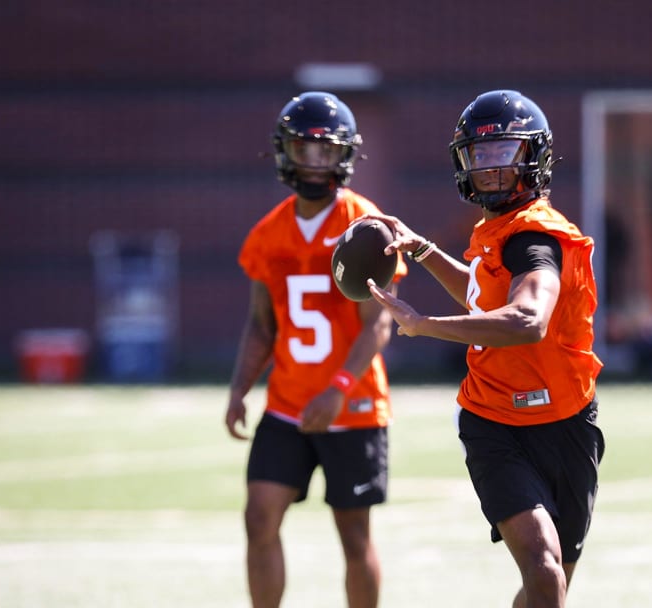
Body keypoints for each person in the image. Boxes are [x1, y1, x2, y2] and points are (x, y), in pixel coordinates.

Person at [365, 89, 605, 608]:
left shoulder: (536, 238)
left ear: (533, 156)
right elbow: (481, 292)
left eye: (503, 154)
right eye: (480, 156)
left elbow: (527, 319)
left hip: (565, 420)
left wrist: (424, 324)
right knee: (544, 571)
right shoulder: (495, 229)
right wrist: (426, 251)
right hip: (493, 420)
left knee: (553, 580)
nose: (490, 169)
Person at [223, 91, 408, 608]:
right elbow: (262, 326)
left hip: (352, 407)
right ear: (284, 152)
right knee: (258, 516)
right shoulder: (267, 232)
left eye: (325, 150)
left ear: (345, 155)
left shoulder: (366, 226)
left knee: (353, 534)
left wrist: (337, 390)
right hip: (286, 403)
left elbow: (379, 326)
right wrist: (240, 389)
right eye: (303, 148)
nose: (313, 160)